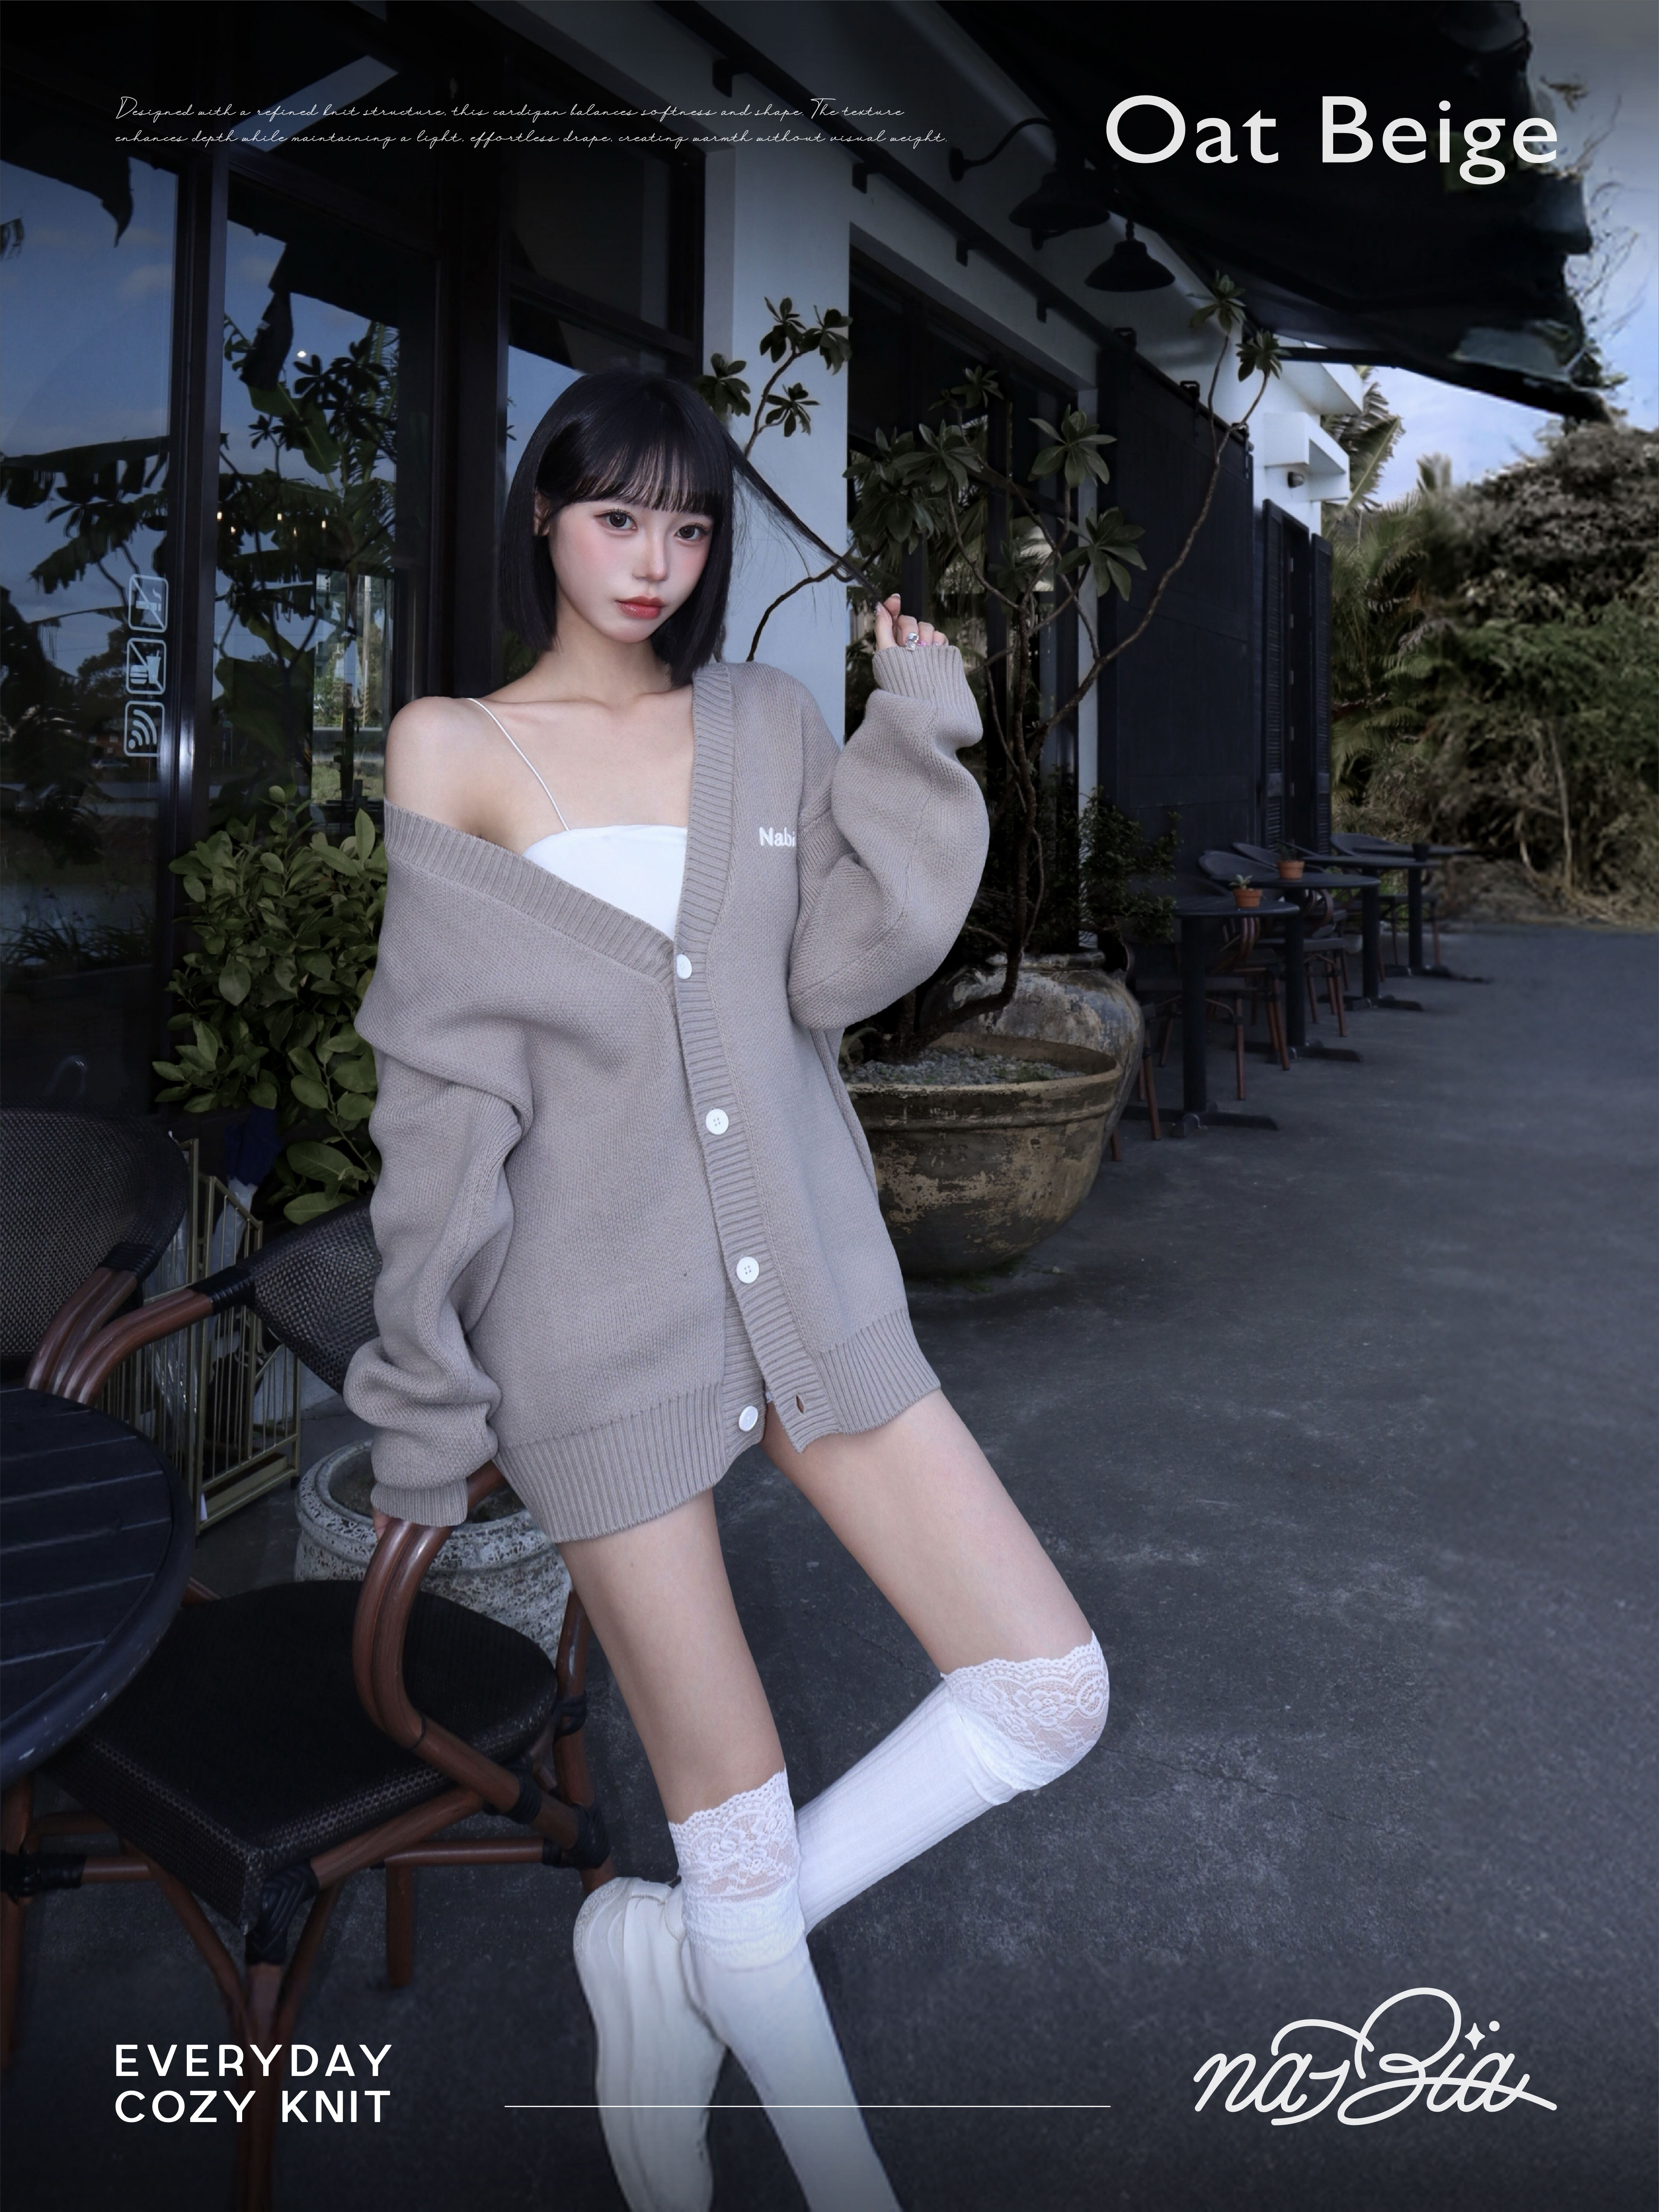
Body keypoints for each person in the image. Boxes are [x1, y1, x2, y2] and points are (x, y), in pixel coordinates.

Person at [342, 367, 1108, 2212]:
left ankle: (662, 1950)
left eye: (688, 528)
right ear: (546, 514)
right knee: (737, 1836)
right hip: (589, 1332)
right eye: (619, 517)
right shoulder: (451, 745)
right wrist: (425, 1400)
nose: (655, 562)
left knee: (1047, 1690)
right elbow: (442, 1105)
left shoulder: (764, 720)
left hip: (811, 1277)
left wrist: (917, 724)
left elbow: (838, 972)